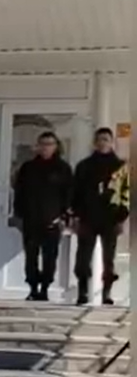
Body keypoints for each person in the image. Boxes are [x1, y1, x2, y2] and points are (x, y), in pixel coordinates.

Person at [12, 131, 73, 302]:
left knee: (49, 257)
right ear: (37, 147)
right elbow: (19, 192)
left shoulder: (63, 168)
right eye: (43, 144)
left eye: (50, 144)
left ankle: (45, 288)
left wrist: (63, 217)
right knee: (31, 256)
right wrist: (18, 215)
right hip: (30, 219)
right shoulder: (28, 168)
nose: (46, 147)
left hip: (52, 221)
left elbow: (69, 195)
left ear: (56, 146)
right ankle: (33, 288)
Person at [70, 127, 126, 306]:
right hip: (88, 217)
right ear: (95, 143)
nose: (103, 143)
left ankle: (107, 292)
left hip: (111, 218)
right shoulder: (84, 166)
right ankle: (83, 291)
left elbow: (127, 194)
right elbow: (75, 192)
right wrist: (76, 215)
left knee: (108, 258)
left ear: (112, 142)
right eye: (100, 139)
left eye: (106, 139)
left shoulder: (120, 167)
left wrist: (122, 218)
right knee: (83, 256)